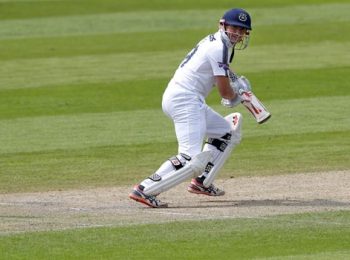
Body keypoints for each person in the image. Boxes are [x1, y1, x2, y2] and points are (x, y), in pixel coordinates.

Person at [129, 8, 253, 208]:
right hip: (184, 100)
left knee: (226, 133)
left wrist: (235, 84)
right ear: (223, 25)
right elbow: (224, 93)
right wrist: (238, 95)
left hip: (188, 99)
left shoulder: (220, 44)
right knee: (190, 158)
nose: (238, 34)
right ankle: (144, 189)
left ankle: (202, 182)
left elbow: (220, 74)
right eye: (234, 28)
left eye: (242, 30)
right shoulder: (218, 47)